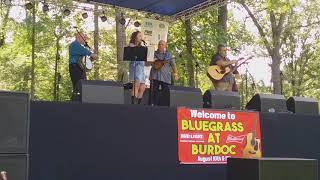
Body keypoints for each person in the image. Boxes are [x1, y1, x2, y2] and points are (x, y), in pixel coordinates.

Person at [68, 32, 98, 100]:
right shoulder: (75, 45)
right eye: (84, 38)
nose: (85, 40)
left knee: (82, 87)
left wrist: (90, 59)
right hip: (75, 67)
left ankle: (79, 103)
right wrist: (94, 55)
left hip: (80, 68)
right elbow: (90, 54)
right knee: (78, 87)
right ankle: (74, 103)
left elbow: (84, 59)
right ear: (79, 37)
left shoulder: (80, 47)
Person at [149, 40, 178, 106]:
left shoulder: (168, 55)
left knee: (165, 93)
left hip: (165, 77)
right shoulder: (153, 53)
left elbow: (173, 65)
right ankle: (152, 106)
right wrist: (152, 62)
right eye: (159, 44)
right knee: (153, 93)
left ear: (165, 46)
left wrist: (175, 73)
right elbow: (148, 63)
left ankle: (164, 107)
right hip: (154, 76)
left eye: (162, 44)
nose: (160, 45)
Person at [128, 31, 146, 104]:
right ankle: (133, 104)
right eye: (139, 36)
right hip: (135, 66)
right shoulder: (131, 45)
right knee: (136, 85)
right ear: (135, 37)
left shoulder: (142, 47)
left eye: (141, 36)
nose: (141, 37)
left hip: (141, 68)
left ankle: (138, 104)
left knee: (143, 87)